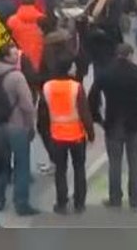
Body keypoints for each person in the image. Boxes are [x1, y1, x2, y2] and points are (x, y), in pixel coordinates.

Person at [89, 43, 137, 210]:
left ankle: (115, 198)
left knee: (115, 163)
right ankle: (134, 198)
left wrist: (98, 118)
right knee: (134, 161)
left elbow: (92, 98)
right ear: (130, 55)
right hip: (134, 122)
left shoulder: (105, 73)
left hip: (113, 122)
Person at [0, 43, 39, 216]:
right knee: (21, 164)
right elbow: (27, 105)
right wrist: (30, 125)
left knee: (1, 164)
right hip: (16, 125)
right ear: (6, 57)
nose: (17, 55)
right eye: (14, 53)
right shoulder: (16, 76)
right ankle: (21, 203)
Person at [38, 65, 94, 213]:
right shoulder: (76, 87)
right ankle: (79, 203)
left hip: (57, 135)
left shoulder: (47, 87)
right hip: (76, 135)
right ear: (70, 70)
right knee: (79, 169)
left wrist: (45, 132)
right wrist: (91, 133)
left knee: (60, 171)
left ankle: (61, 202)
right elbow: (85, 113)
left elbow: (43, 112)